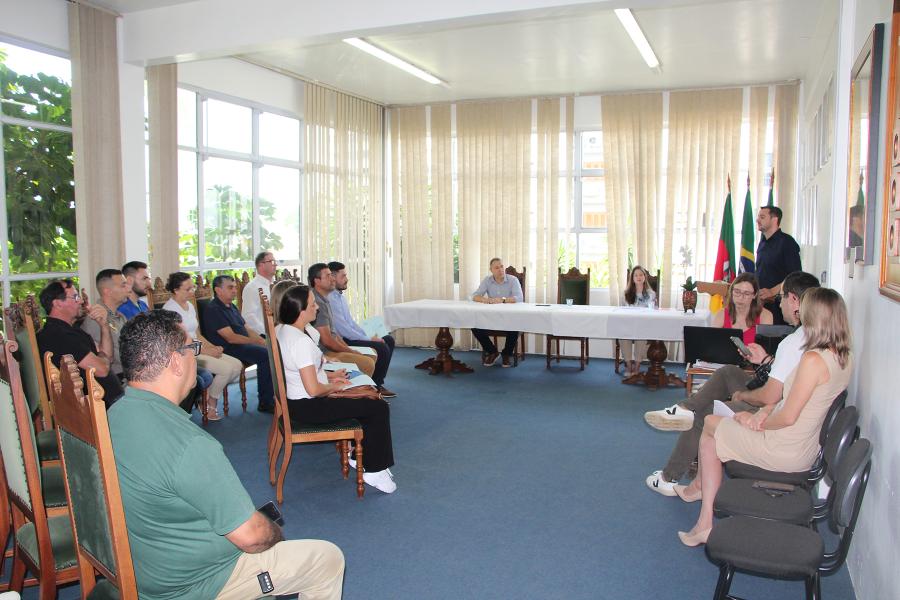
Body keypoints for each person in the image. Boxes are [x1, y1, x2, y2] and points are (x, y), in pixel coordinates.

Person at [109, 310, 344, 598]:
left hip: (141, 567)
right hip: (195, 584)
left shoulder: (114, 414)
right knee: (326, 558)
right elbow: (252, 538)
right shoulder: (190, 444)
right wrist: (274, 533)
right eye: (193, 348)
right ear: (175, 362)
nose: (197, 356)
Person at [676, 287, 852, 547]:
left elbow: (789, 417)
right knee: (715, 429)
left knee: (711, 424)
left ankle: (705, 520)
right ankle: (702, 504)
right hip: (803, 444)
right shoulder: (842, 356)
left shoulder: (813, 359)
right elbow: (799, 400)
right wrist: (767, 410)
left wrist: (757, 421)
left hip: (784, 448)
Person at [644, 271, 820, 496]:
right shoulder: (809, 336)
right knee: (728, 372)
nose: (780, 301)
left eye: (782, 296)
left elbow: (769, 397)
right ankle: (683, 408)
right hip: (775, 394)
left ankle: (669, 477)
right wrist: (765, 360)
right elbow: (785, 376)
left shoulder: (793, 342)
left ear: (794, 300)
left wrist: (742, 396)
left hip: (769, 408)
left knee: (704, 415)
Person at [276, 285, 397, 494]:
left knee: (369, 401)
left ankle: (358, 457)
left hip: (297, 402)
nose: (317, 308)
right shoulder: (300, 342)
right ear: (300, 311)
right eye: (313, 304)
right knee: (377, 407)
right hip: (309, 407)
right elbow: (314, 390)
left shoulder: (283, 330)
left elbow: (298, 372)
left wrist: (331, 376)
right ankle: (375, 469)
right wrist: (335, 387)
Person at [164, 272, 244, 421]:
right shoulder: (170, 310)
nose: (191, 292)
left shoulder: (189, 305)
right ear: (176, 290)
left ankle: (203, 400)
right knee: (226, 369)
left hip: (198, 347)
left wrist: (213, 347)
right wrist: (206, 350)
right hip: (185, 353)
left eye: (192, 288)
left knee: (237, 365)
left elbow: (197, 333)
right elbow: (180, 342)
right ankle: (211, 403)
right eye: (187, 289)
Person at [36, 279, 123, 406]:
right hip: (97, 410)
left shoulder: (70, 330)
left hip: (110, 402)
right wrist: (102, 358)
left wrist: (104, 326)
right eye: (75, 297)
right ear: (58, 303)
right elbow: (103, 369)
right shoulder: (58, 335)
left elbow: (107, 357)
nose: (81, 301)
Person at [202, 275, 275, 413]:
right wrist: (257, 341)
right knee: (265, 355)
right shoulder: (214, 309)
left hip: (242, 344)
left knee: (273, 346)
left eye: (235, 287)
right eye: (230, 287)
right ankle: (266, 402)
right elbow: (231, 338)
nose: (235, 290)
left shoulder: (231, 305)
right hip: (229, 348)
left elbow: (247, 328)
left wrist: (262, 340)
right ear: (218, 290)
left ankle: (277, 394)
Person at [327, 260, 397, 398]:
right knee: (381, 347)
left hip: (348, 335)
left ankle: (377, 382)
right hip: (343, 340)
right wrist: (369, 339)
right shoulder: (331, 299)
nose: (347, 279)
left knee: (388, 339)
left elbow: (350, 323)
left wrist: (368, 334)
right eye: (343, 276)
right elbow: (344, 331)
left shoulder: (339, 297)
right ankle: (375, 386)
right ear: (333, 278)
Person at [307, 263, 376, 377]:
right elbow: (327, 341)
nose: (332, 279)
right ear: (317, 281)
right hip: (324, 353)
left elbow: (334, 333)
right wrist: (350, 351)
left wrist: (347, 348)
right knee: (367, 362)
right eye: (328, 276)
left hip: (330, 348)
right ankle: (359, 390)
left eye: (332, 275)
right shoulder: (317, 302)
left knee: (372, 353)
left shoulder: (324, 298)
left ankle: (368, 388)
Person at [471, 257, 524, 368]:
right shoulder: (487, 280)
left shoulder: (513, 280)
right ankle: (492, 352)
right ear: (491, 270)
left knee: (514, 325)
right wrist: (485, 300)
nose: (500, 269)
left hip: (509, 317)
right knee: (474, 325)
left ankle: (506, 354)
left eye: (501, 266)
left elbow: (519, 298)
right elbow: (475, 296)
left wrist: (503, 300)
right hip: (492, 317)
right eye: (497, 267)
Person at [755, 206, 802, 325]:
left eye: (762, 217)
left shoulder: (787, 243)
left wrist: (772, 291)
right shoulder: (762, 242)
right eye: (758, 217)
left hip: (780, 307)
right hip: (761, 306)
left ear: (774, 219)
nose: (757, 220)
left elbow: (795, 277)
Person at [81, 269, 129, 382]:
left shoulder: (120, 316)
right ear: (108, 291)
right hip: (114, 379)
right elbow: (106, 358)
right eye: (123, 285)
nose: (128, 289)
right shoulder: (95, 318)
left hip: (129, 373)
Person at [709, 272, 774, 344]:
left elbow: (765, 349)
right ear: (731, 291)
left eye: (746, 294)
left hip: (754, 355)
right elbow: (711, 342)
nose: (741, 297)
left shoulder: (765, 315)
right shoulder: (721, 314)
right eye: (737, 292)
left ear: (754, 295)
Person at [618, 265, 657, 377]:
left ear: (644, 277)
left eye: (641, 275)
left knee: (642, 334)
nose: (638, 277)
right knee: (623, 335)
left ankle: (637, 366)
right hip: (628, 324)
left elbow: (653, 311)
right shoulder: (626, 294)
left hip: (643, 325)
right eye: (636, 275)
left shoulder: (651, 294)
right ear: (632, 278)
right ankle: (629, 365)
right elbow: (621, 311)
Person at [241, 251, 278, 335]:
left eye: (275, 262)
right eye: (271, 262)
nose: (275, 264)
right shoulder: (252, 287)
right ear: (261, 265)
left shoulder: (274, 285)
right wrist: (270, 333)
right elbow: (249, 317)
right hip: (264, 336)